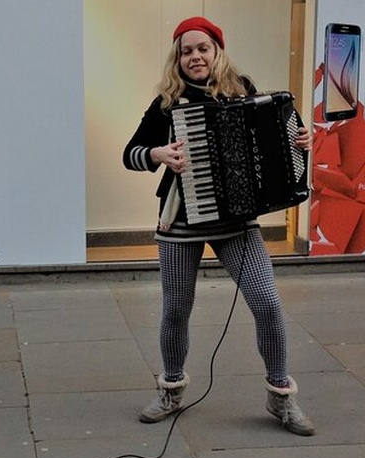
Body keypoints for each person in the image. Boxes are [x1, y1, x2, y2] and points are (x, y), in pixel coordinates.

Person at [122, 17, 315, 436]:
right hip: (180, 223)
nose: (195, 56)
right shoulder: (166, 104)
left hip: (237, 221)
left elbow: (282, 138)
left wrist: (299, 141)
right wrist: (158, 154)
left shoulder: (242, 90)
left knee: (267, 303)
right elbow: (130, 153)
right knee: (176, 309)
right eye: (187, 50)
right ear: (178, 58)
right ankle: (171, 389)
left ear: (217, 52)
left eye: (202, 48)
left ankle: (281, 395)